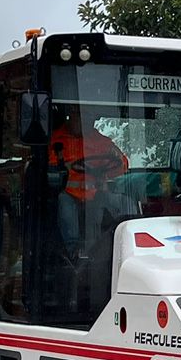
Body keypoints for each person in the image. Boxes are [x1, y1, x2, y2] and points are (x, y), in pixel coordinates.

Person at [48, 104, 129, 259]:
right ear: (71, 115)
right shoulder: (56, 139)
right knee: (64, 204)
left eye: (88, 117)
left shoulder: (101, 141)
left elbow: (122, 164)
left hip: (96, 193)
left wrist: (116, 160)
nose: (84, 121)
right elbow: (49, 165)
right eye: (79, 116)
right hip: (69, 193)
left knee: (122, 202)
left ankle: (107, 248)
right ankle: (74, 252)